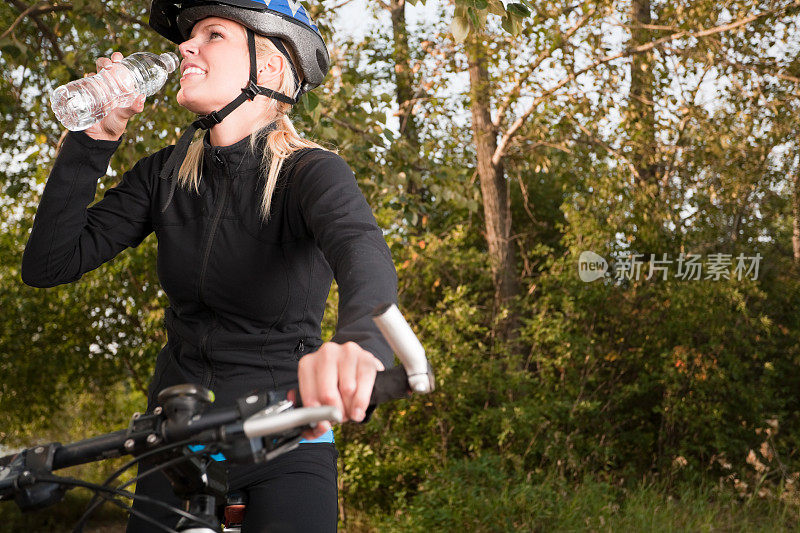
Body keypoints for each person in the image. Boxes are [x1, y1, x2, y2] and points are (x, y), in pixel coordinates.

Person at [21, 0, 398, 531]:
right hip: (175, 436)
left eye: (213, 34)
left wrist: (358, 343)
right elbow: (49, 263)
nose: (185, 47)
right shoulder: (166, 176)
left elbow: (363, 254)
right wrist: (95, 137)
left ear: (267, 67)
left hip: (284, 431)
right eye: (189, 36)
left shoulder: (310, 172)